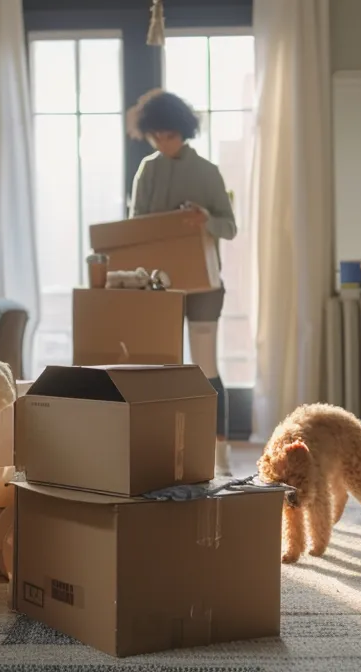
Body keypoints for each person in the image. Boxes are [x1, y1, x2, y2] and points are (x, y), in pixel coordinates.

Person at [125, 89, 239, 474]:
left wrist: (205, 218)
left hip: (205, 286)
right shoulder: (147, 170)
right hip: (160, 287)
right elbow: (134, 227)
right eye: (156, 135)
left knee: (206, 367)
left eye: (169, 135)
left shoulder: (207, 172)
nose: (163, 142)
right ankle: (167, 453)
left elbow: (230, 227)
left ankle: (220, 454)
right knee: (163, 370)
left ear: (184, 132)